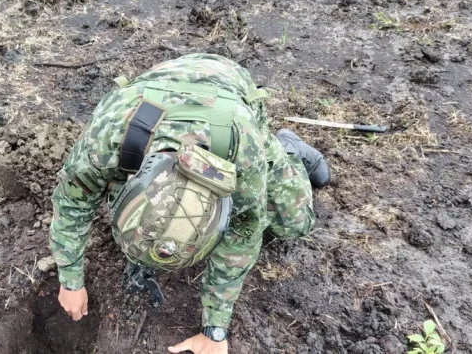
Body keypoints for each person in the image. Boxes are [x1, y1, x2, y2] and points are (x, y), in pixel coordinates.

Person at [49, 54, 330, 354]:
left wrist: (215, 329)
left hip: (228, 91)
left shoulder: (244, 157)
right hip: (155, 90)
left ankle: (289, 148)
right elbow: (71, 202)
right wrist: (70, 281)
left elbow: (244, 234)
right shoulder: (107, 138)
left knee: (293, 224)